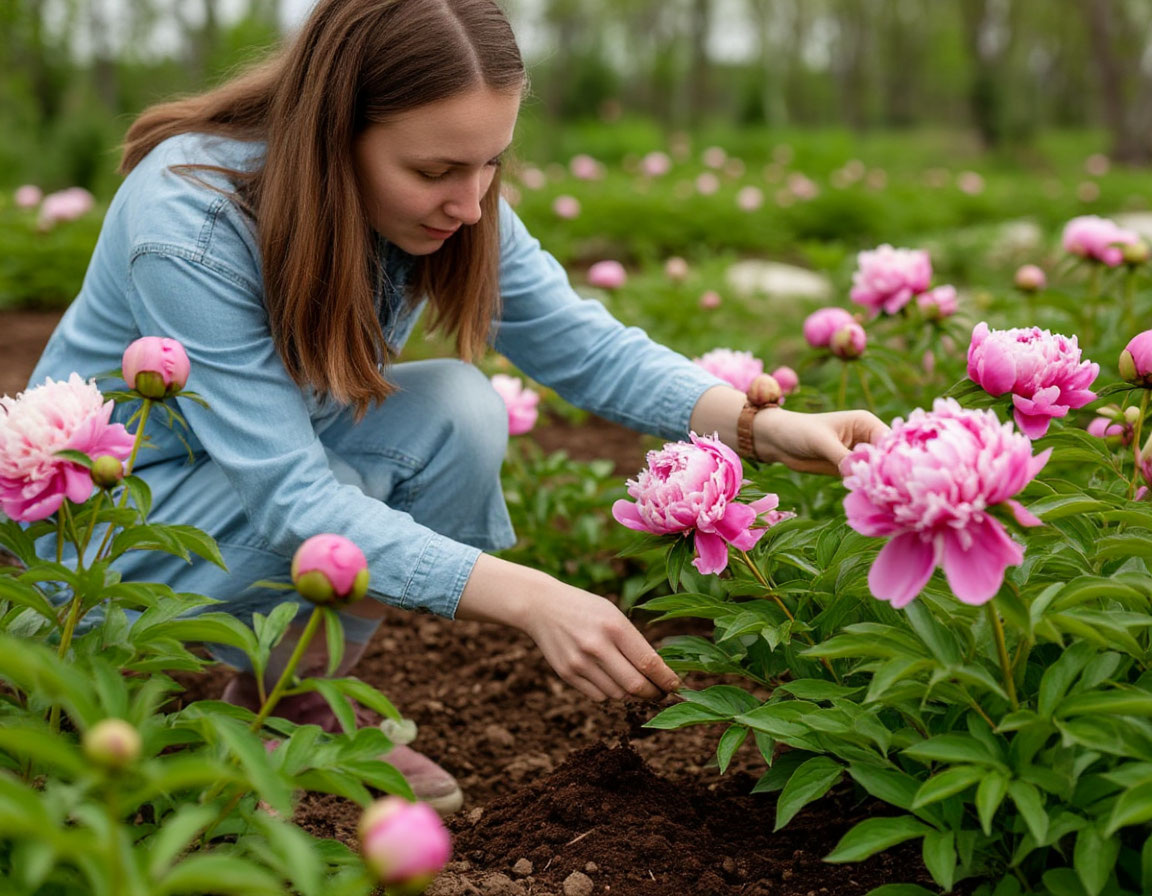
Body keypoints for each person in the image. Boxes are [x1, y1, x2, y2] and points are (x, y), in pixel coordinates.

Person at [29, 0, 886, 815]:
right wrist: (532, 598)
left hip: (245, 489)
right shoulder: (192, 222)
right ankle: (132, 696)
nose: (470, 205)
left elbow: (577, 341)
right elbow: (295, 501)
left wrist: (757, 425)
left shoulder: (455, 200)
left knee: (459, 410)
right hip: (108, 539)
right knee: (345, 486)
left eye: (490, 164)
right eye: (434, 170)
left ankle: (292, 703)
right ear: (334, 135)